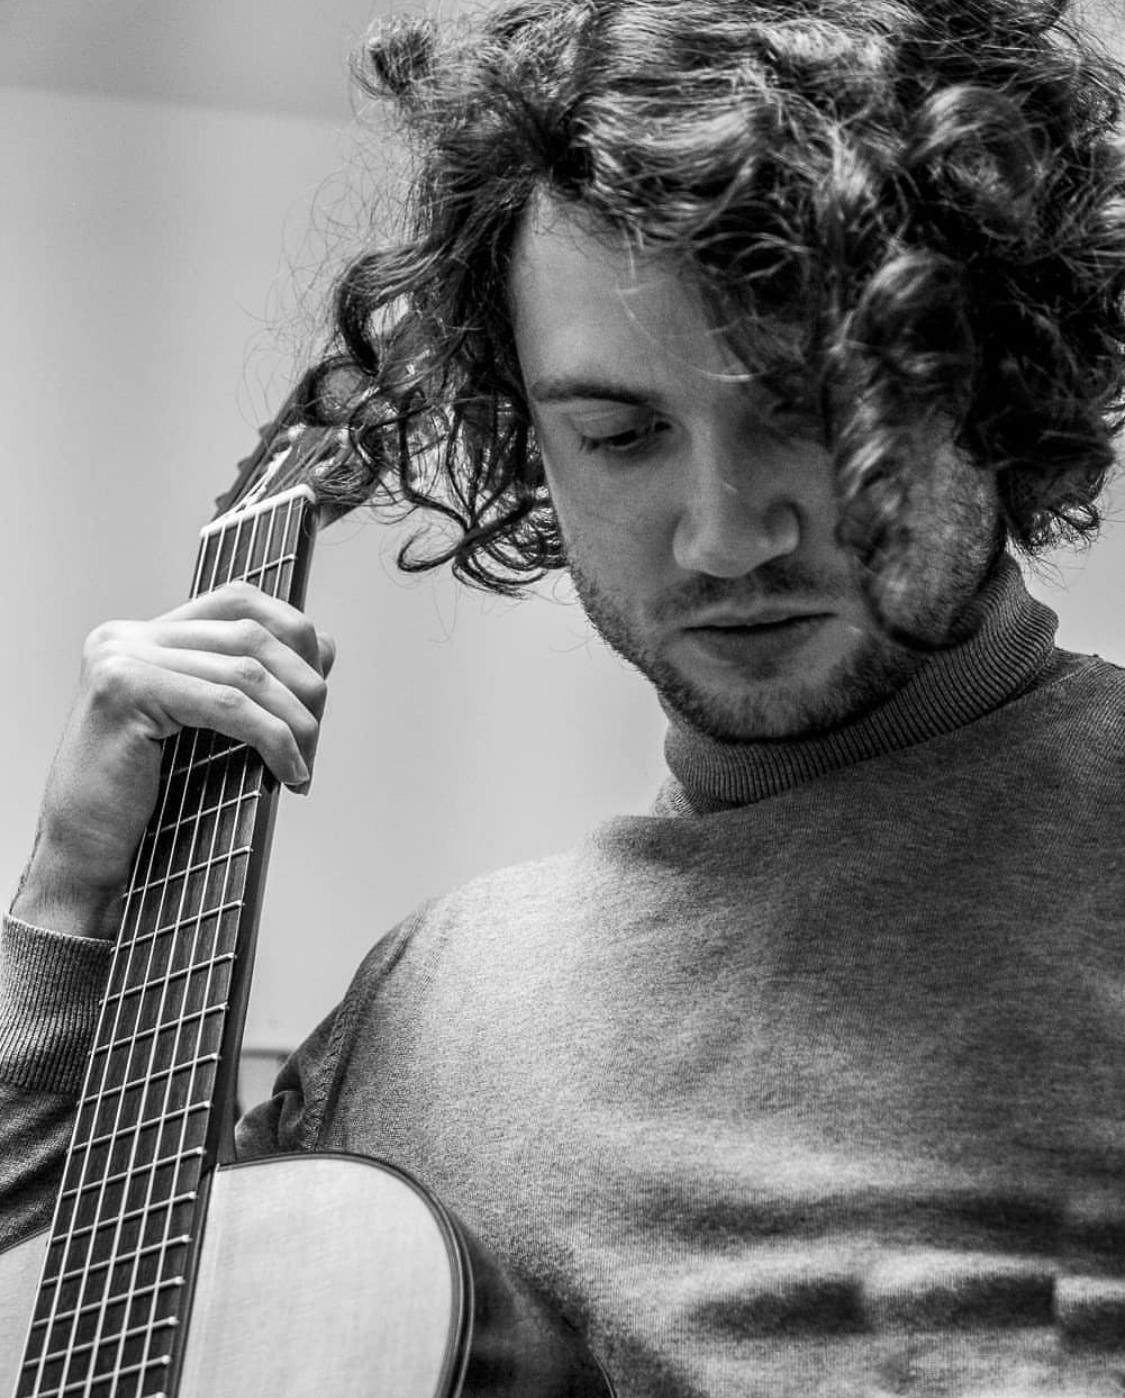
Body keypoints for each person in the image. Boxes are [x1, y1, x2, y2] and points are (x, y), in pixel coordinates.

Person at [3, 0, 1125, 1392]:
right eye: (621, 432)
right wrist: (69, 894)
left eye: (812, 409)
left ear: (1005, 386)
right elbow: (69, 1336)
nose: (723, 534)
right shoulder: (428, 1006)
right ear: (526, 437)